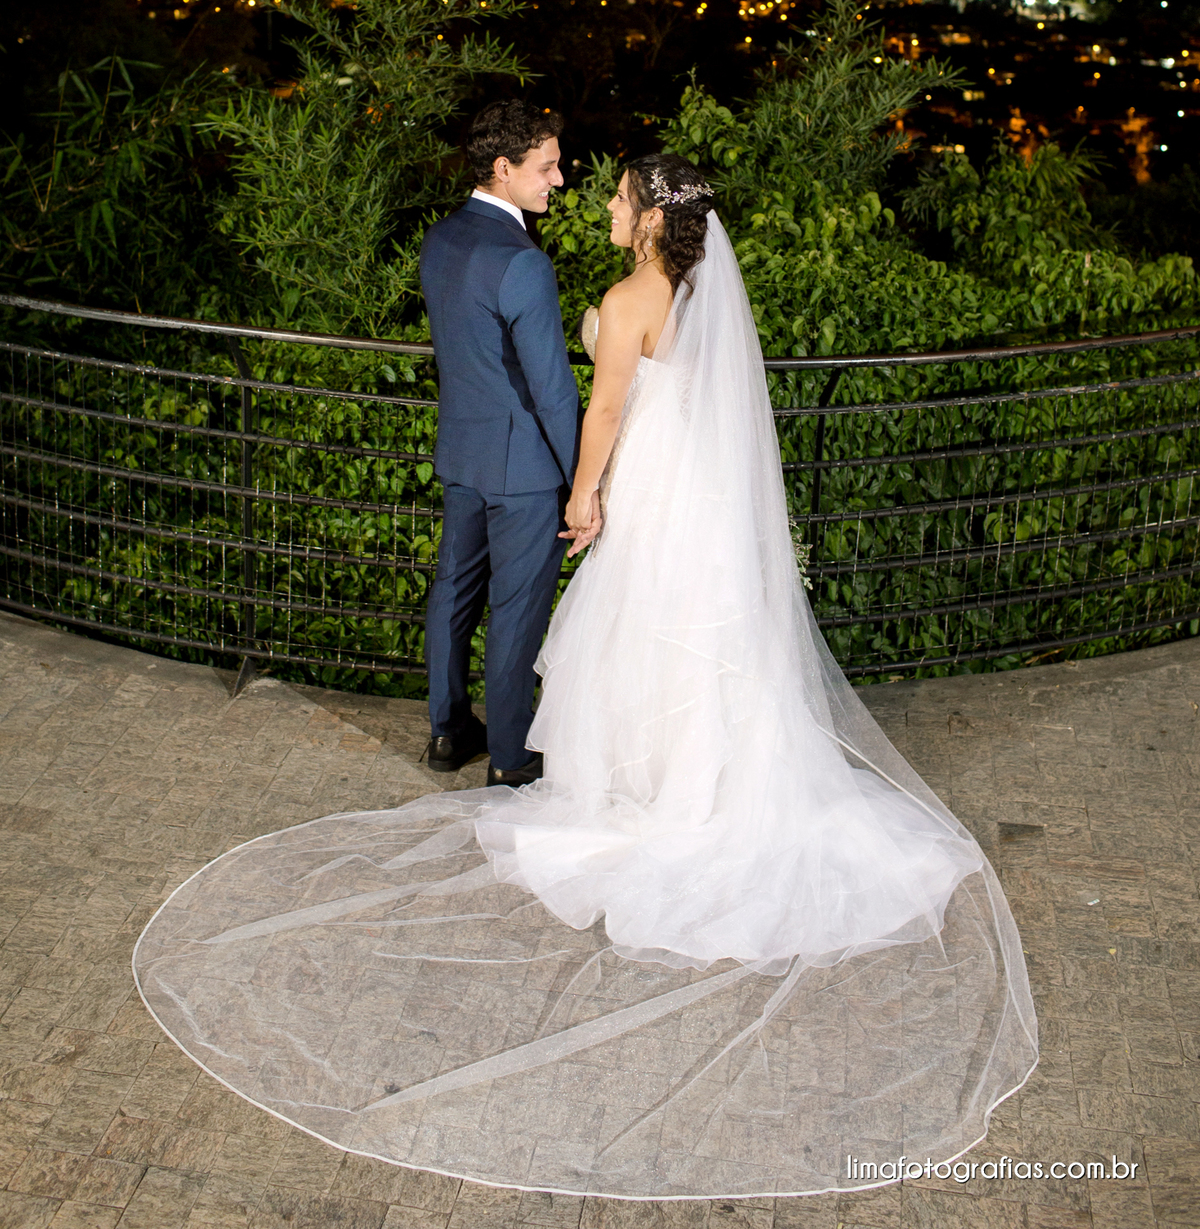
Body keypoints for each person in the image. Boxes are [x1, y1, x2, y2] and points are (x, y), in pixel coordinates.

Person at [133, 150, 1037, 1203]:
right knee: (700, 643)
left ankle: (657, 792)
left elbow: (604, 413)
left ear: (650, 218)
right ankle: (707, 784)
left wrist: (583, 496)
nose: (602, 204)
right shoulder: (696, 290)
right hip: (700, 498)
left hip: (649, 491)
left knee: (643, 633)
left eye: (617, 196)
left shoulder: (631, 296)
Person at [418, 98, 581, 787]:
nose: (559, 180)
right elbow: (553, 389)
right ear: (504, 167)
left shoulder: (440, 239)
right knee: (516, 612)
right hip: (524, 474)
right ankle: (512, 758)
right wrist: (584, 480)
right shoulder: (522, 262)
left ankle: (448, 731)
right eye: (548, 168)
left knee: (454, 591)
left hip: (463, 453)